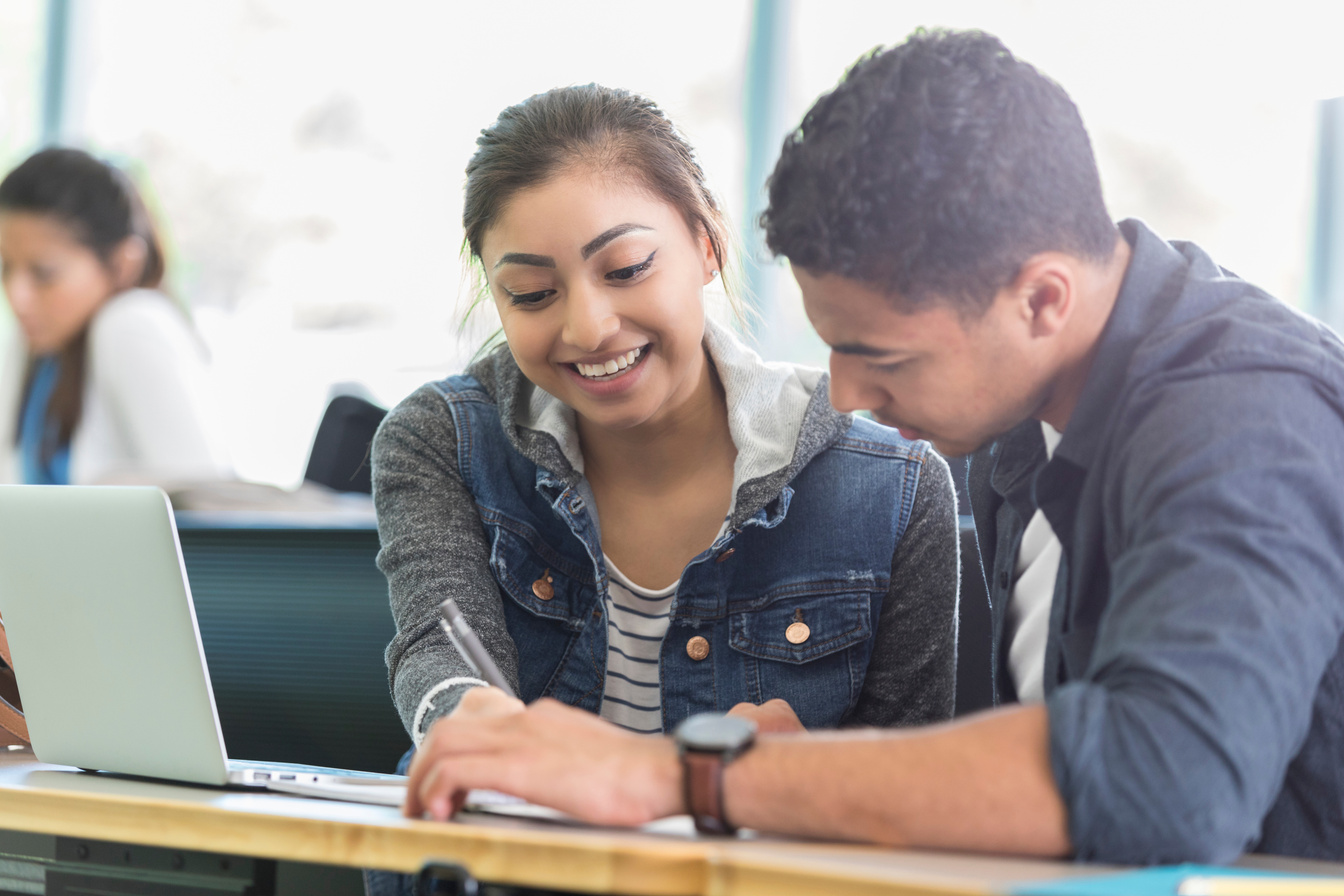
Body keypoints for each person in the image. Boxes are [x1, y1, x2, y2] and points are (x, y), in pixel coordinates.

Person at [395, 31, 1344, 866]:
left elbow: (1161, 783)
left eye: (879, 354)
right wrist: (800, 771)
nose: (847, 396)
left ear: (1042, 300)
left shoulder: (1245, 419)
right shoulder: (1018, 410)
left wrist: (690, 776)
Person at [371, 85, 959, 770]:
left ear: (707, 248)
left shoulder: (895, 494)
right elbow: (435, 650)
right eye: (532, 294)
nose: (587, 327)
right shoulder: (440, 441)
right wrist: (470, 723)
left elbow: (904, 802)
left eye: (626, 269)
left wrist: (809, 783)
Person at [0, 148, 230, 485]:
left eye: (44, 273)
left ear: (123, 265)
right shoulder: (32, 351)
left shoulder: (130, 322)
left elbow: (203, 500)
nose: (17, 297)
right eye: (5, 267)